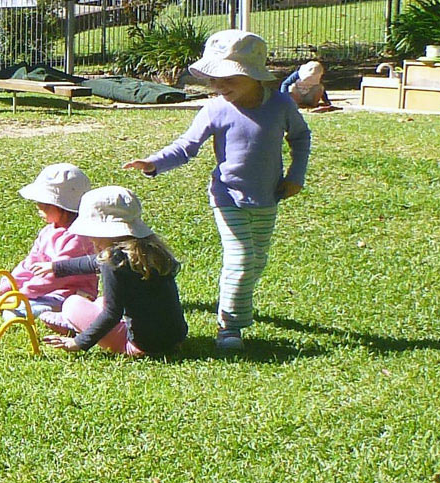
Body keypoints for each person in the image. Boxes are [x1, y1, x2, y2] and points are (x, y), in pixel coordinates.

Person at [124, 29, 311, 352]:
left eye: (229, 79)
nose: (220, 87)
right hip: (227, 197)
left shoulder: (280, 105)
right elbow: (186, 146)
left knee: (256, 262)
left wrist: (296, 175)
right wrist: (154, 163)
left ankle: (237, 301)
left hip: (268, 196)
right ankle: (230, 328)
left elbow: (300, 138)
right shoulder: (214, 109)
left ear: (254, 77)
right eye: (214, 79)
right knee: (240, 260)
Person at [37, 186, 187, 357]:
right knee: (101, 302)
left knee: (72, 304)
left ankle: (71, 323)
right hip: (175, 338)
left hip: (139, 346)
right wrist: (57, 267)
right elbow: (94, 263)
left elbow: (112, 314)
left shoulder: (113, 262)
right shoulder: (148, 251)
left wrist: (78, 343)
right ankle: (77, 323)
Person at [0, 162, 96, 318]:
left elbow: (55, 277)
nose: (38, 207)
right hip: (42, 290)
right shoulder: (48, 231)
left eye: (45, 205)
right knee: (7, 293)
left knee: (15, 313)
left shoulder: (77, 238)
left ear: (64, 208)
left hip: (69, 294)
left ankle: (64, 318)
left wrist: (22, 294)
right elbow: (30, 263)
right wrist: (6, 288)